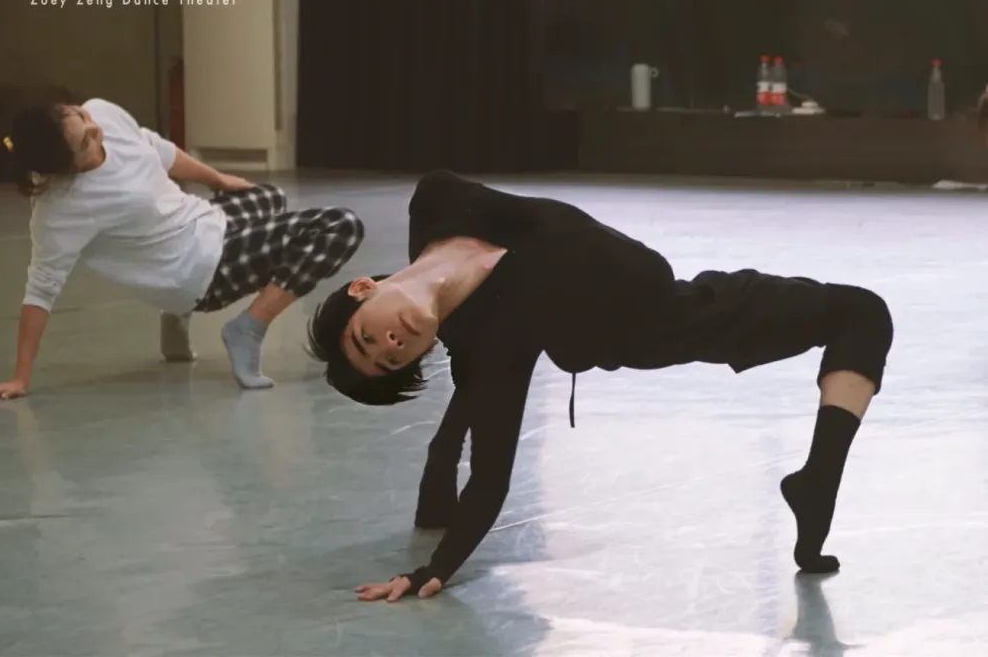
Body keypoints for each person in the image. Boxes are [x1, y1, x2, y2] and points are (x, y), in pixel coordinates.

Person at [307, 170, 894, 602]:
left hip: (669, 290)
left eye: (368, 337)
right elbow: (490, 479)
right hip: (661, 324)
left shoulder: (438, 200)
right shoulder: (486, 349)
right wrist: (433, 571)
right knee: (860, 312)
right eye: (390, 360)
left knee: (862, 315)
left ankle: (816, 481)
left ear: (362, 288)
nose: (390, 344)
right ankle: (818, 489)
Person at [0, 97, 363, 399]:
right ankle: (247, 327)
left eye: (83, 118)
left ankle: (177, 314)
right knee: (340, 227)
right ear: (63, 168)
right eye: (85, 144)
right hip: (202, 270)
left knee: (269, 196)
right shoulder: (61, 209)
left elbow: (156, 149)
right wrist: (20, 378)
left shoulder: (102, 113)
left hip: (203, 222)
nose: (96, 132)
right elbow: (41, 289)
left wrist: (218, 180)